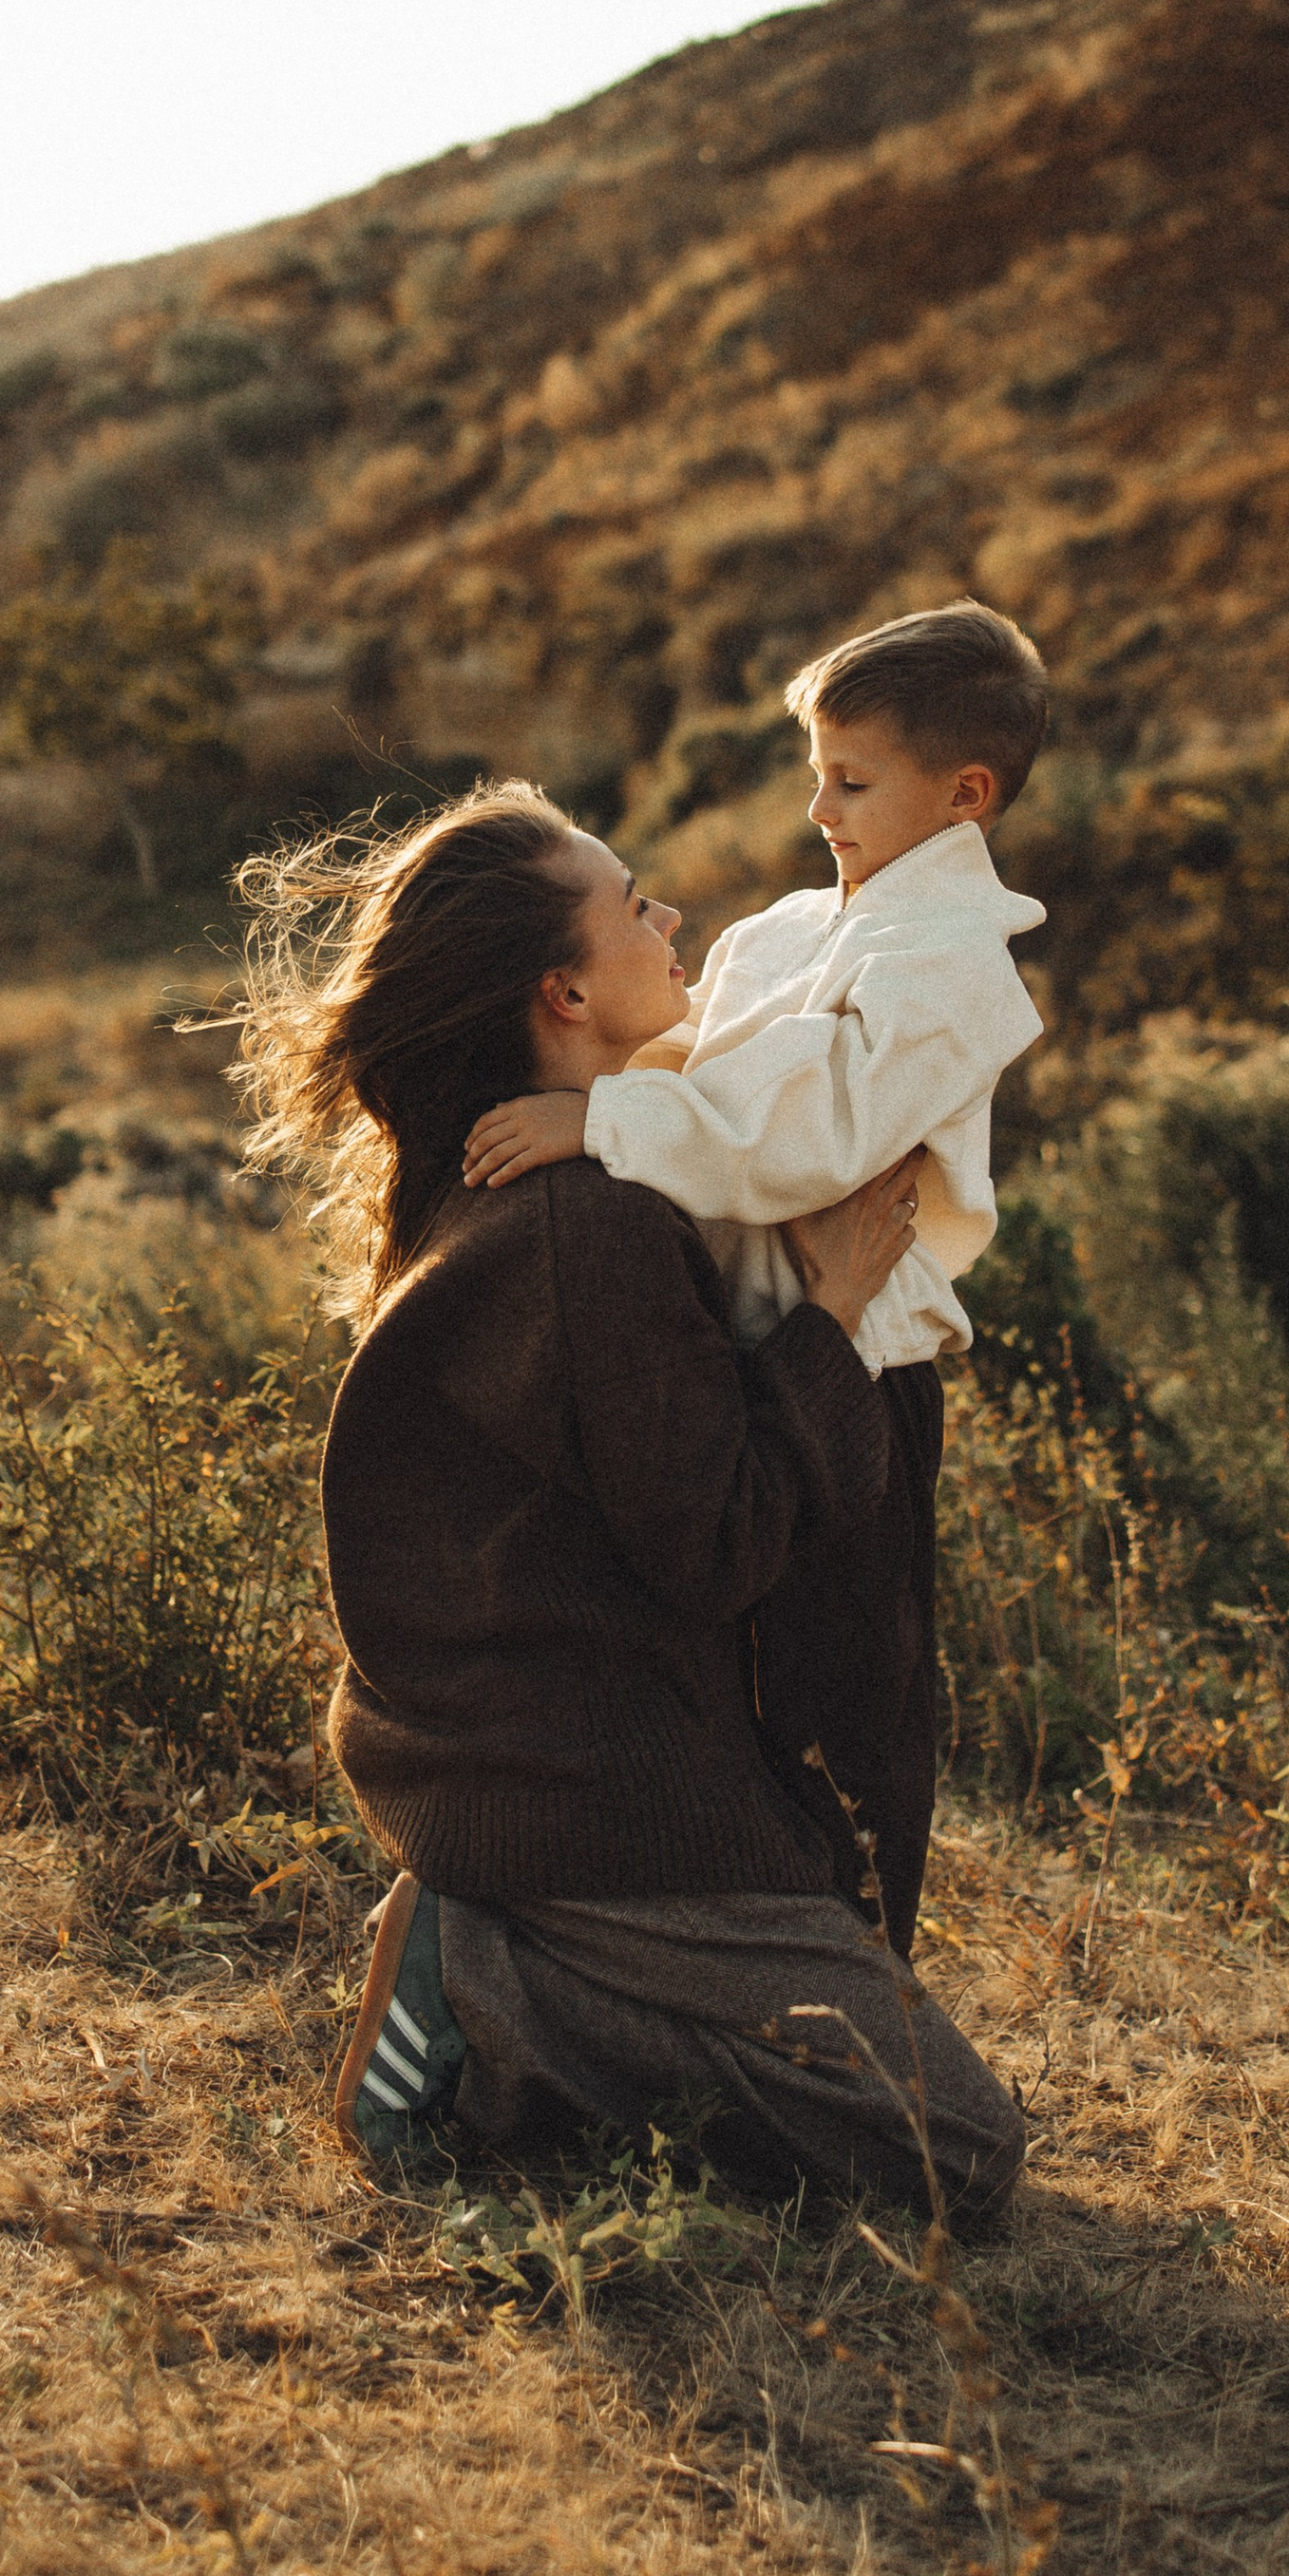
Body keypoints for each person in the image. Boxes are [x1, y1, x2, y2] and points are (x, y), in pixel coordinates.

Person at [238, 782, 1025, 2224]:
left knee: (877, 2042)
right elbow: (722, 1537)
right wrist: (836, 1317)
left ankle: (517, 1953)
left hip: (538, 1764)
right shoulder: (584, 1222)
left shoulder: (516, 1175)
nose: (674, 924)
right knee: (947, 2151)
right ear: (566, 992)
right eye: (634, 907)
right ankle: (492, 1992)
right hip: (591, 1799)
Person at [462, 601, 1050, 1955]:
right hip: (733, 1355)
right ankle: (716, 1954)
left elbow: (818, 1135)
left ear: (965, 795)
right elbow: (693, 1065)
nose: (819, 803)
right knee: (720, 1676)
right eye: (817, 770)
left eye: (853, 779)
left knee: (851, 1695)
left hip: (862, 1379)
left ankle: (857, 1984)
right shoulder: (779, 936)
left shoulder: (956, 969)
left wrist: (599, 1124)